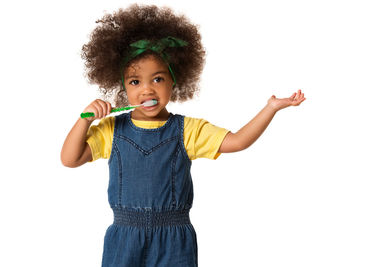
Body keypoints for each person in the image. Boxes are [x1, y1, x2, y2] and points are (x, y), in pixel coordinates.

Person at [60, 3, 306, 267]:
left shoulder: (188, 130)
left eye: (157, 79)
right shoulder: (112, 130)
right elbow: (70, 159)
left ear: (174, 81)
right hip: (124, 238)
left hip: (174, 240)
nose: (147, 90)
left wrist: (270, 108)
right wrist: (84, 120)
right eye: (135, 81)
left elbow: (238, 140)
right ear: (122, 87)